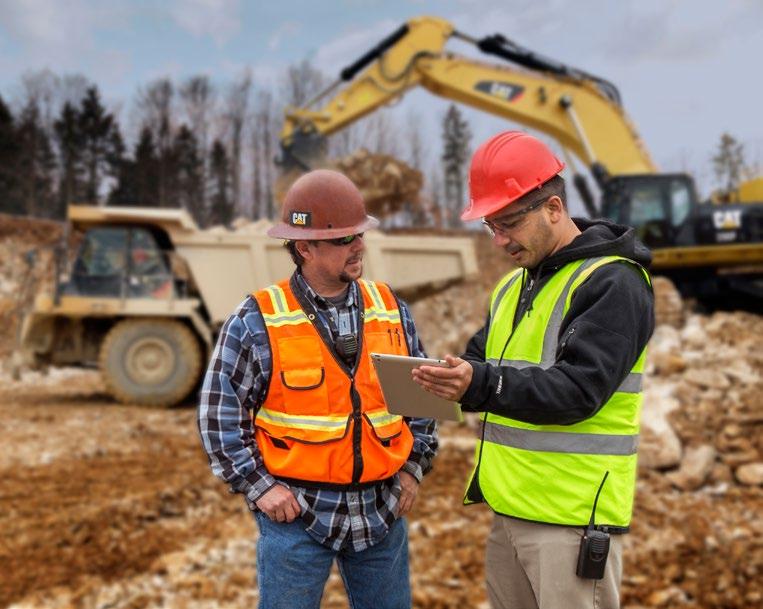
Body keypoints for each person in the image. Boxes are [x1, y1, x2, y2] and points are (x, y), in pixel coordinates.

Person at [412, 131, 654, 609]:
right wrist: (448, 377)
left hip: (570, 518)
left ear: (554, 208)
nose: (499, 240)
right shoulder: (512, 287)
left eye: (508, 224)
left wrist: (478, 383)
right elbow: (479, 360)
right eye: (490, 226)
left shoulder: (613, 282)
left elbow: (579, 391)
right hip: (511, 511)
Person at [198, 169, 438, 609]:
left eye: (359, 235)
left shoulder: (390, 309)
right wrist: (260, 487)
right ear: (304, 247)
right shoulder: (258, 318)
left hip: (380, 515)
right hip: (297, 519)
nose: (359, 246)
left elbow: (420, 399)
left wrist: (413, 466)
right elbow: (219, 416)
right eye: (345, 239)